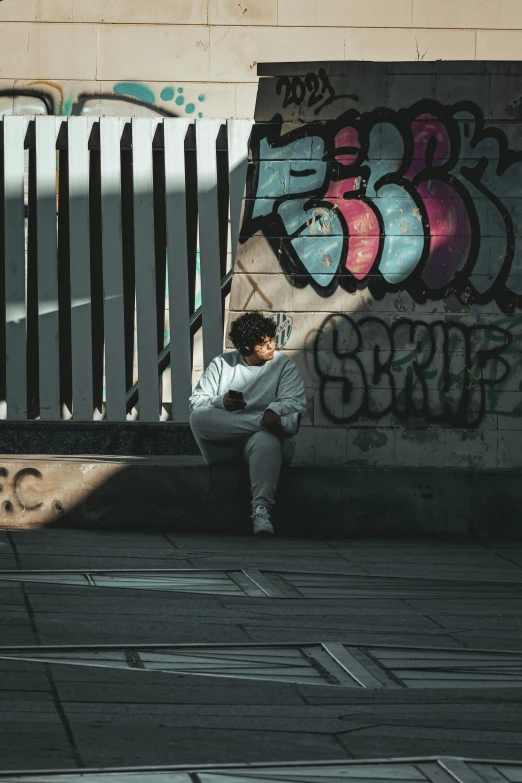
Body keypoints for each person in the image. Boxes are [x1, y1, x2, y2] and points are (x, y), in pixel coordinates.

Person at [189, 311, 306, 535]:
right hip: (224, 446)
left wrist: (275, 409)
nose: (271, 346)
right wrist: (220, 402)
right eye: (263, 344)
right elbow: (196, 404)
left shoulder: (283, 365)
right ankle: (259, 423)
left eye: (272, 340)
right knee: (198, 417)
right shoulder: (222, 364)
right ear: (245, 347)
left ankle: (261, 512)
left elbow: (295, 403)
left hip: (270, 444)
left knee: (265, 440)